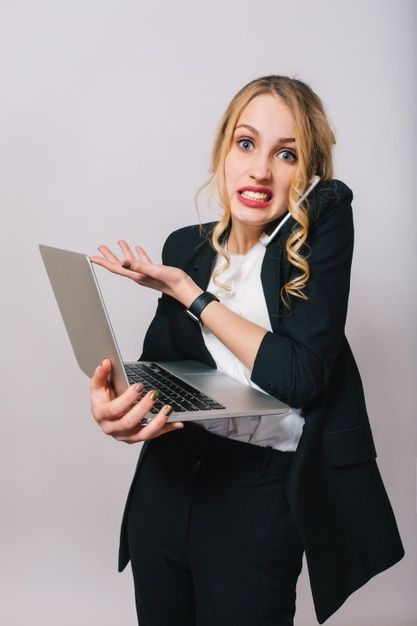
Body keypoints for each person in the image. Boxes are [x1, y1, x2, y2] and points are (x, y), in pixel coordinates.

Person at [89, 75, 404, 626]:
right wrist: (119, 412)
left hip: (258, 500)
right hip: (166, 487)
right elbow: (166, 380)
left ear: (307, 174)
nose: (260, 169)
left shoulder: (316, 239)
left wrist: (190, 294)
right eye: (246, 143)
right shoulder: (184, 246)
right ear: (224, 153)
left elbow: (301, 376)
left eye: (287, 154)